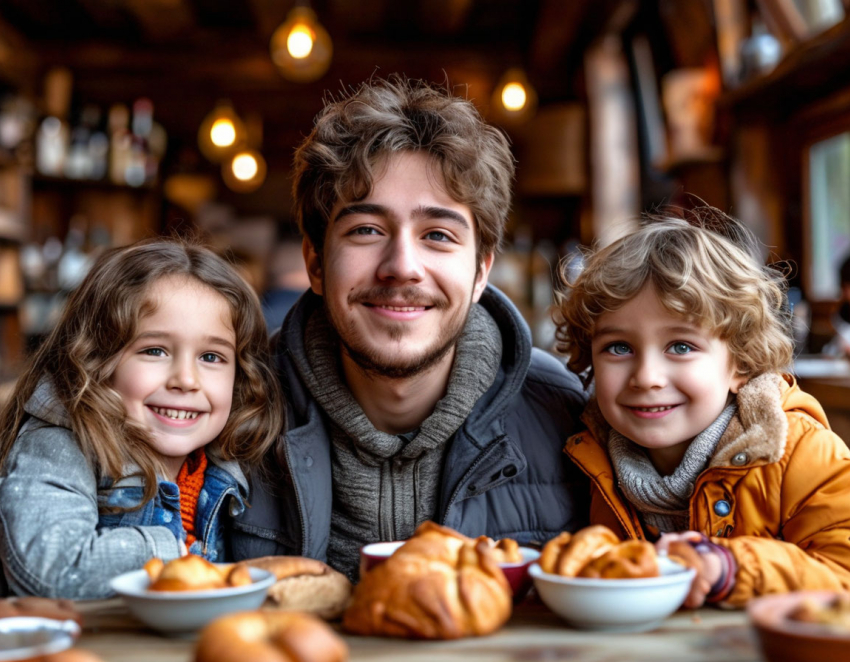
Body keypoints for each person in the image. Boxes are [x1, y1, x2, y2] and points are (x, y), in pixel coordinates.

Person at [231, 75, 589, 580]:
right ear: (315, 261)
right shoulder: (229, 410)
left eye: (438, 235)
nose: (401, 266)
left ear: (482, 270)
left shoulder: (573, 422)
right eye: (366, 230)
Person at [554, 207, 850, 608]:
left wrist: (730, 570)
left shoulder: (803, 455)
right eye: (618, 347)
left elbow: (843, 577)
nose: (647, 377)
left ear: (741, 363)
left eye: (681, 346)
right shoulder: (583, 456)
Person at [0, 239, 283, 599]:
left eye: (211, 357)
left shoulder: (228, 461)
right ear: (95, 360)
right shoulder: (60, 445)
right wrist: (171, 554)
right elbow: (51, 569)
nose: (185, 379)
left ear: (239, 376)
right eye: (154, 350)